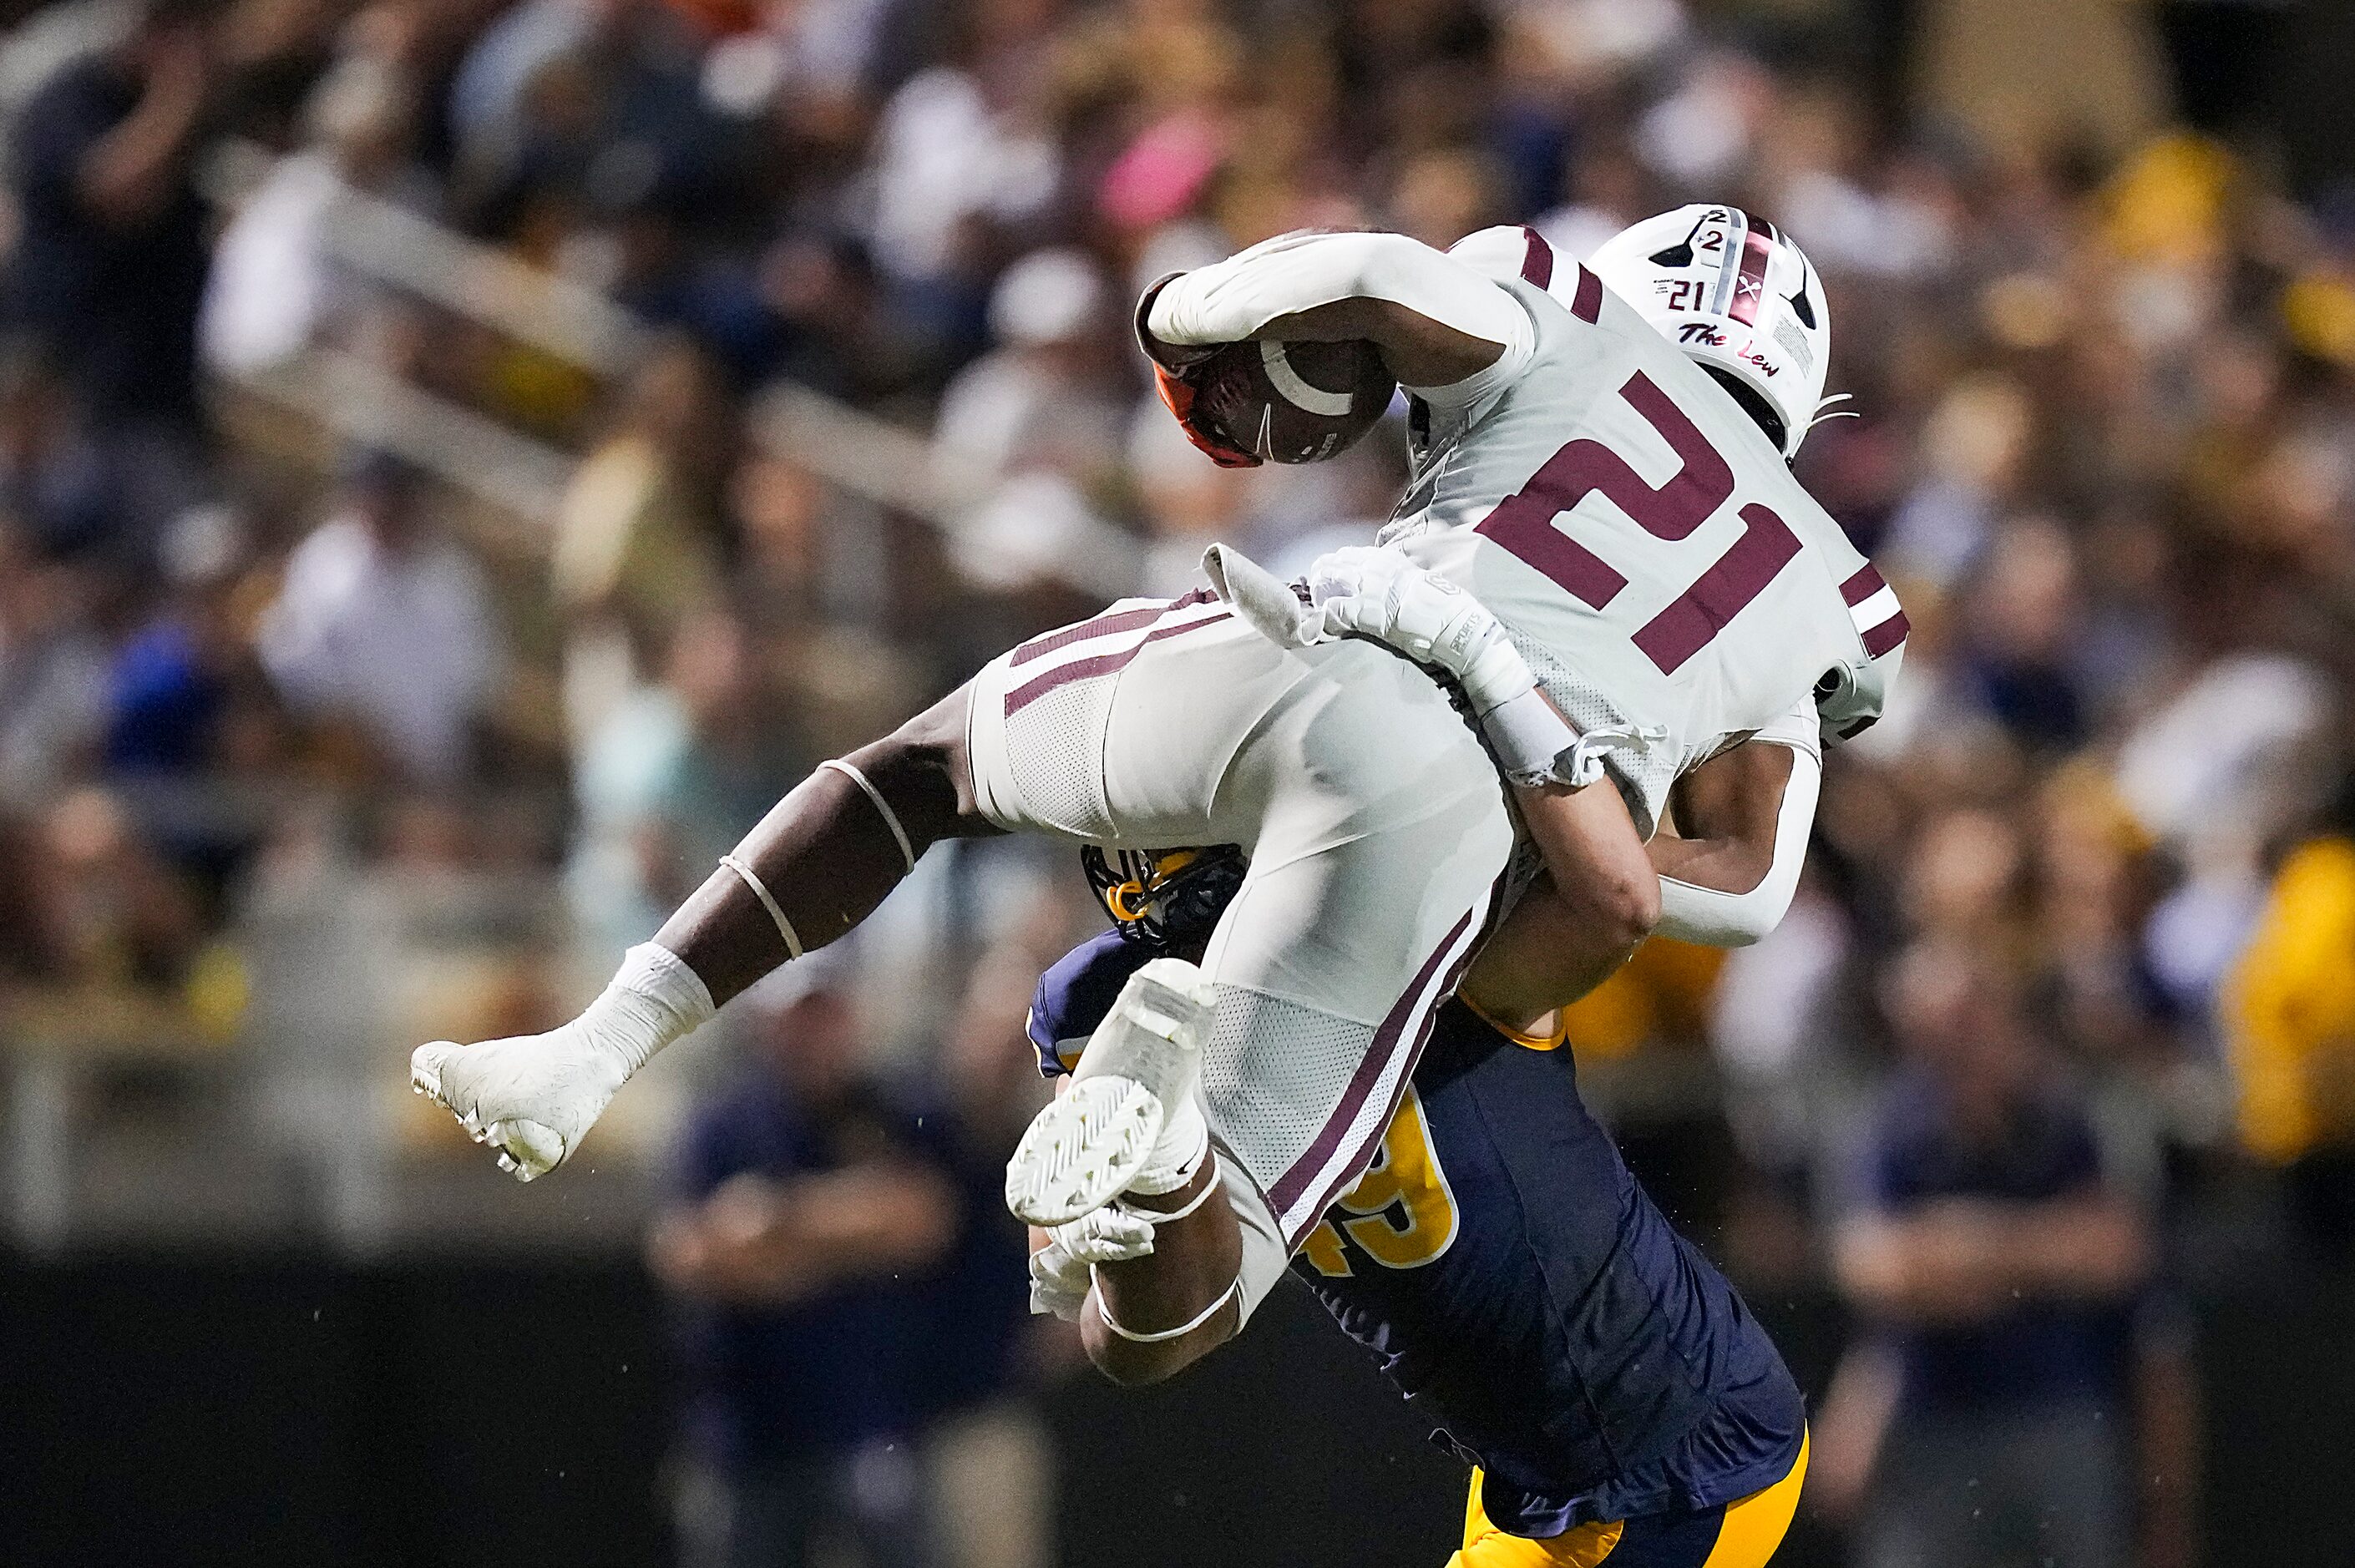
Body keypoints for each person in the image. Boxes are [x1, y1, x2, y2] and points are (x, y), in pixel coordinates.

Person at [411, 208, 1898, 1399]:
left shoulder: (1561, 312)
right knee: (1163, 1326)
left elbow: (1373, 272)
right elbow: (1752, 888)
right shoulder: (1827, 595)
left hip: (1319, 648)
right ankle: (1172, 1151)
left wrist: (1185, 325)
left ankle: (592, 1047)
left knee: (927, 770)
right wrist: (1557, 781)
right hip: (1446, 829)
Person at [1022, 849, 1811, 1568]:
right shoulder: (1119, 1007)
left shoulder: (1438, 940)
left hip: (1670, 1466)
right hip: (1533, 1470)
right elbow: (1061, 1252)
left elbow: (1617, 901)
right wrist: (1090, 1217)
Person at [1811, 946, 2198, 1568]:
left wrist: (1958, 1245)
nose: (1949, 1044)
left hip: (2062, 1420)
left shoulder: (2068, 1119)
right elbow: (1877, 1270)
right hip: (1932, 1429)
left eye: (1966, 1019)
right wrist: (2044, 1254)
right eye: (1928, 1027)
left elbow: (2115, 1254)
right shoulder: (1890, 1128)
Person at [650, 969, 958, 1568]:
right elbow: (689, 1254)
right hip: (749, 1437)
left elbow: (921, 1220)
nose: (814, 1034)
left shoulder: (892, 1107)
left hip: (868, 1428)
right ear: (767, 1024)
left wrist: (780, 1220)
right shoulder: (723, 1124)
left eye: (827, 1014)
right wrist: (851, 1240)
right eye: (799, 1017)